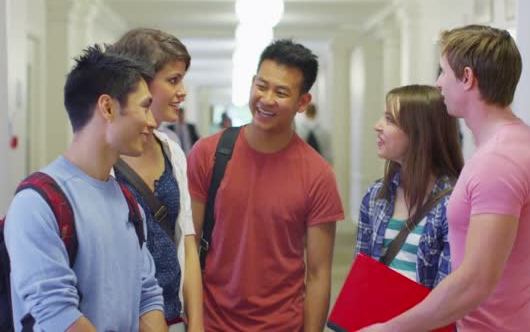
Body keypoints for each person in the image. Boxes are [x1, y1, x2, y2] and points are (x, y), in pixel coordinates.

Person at [359, 25, 530, 332]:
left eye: (443, 72)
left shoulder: (498, 162)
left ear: (467, 78)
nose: (438, 84)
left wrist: (390, 329)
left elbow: (475, 282)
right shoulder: (518, 144)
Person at [4, 45, 167, 331]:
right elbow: (57, 315)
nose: (153, 122)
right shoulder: (37, 203)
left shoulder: (128, 201)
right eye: (144, 107)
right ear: (107, 107)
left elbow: (147, 296)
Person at [187, 39, 344, 331]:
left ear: (302, 102)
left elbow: (319, 274)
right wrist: (194, 324)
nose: (267, 99)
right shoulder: (208, 154)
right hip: (212, 322)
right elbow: (189, 245)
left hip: (282, 324)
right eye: (261, 86)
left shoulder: (318, 174)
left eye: (281, 92)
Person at [111, 28, 203, 330]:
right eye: (173, 80)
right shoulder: (106, 160)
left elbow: (187, 242)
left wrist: (197, 324)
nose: (183, 91)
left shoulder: (172, 150)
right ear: (140, 83)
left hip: (173, 316)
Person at [355, 85, 463, 289]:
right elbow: (361, 278)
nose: (377, 126)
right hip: (377, 319)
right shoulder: (376, 195)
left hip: (424, 320)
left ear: (419, 132)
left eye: (389, 120)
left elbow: (449, 291)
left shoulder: (453, 203)